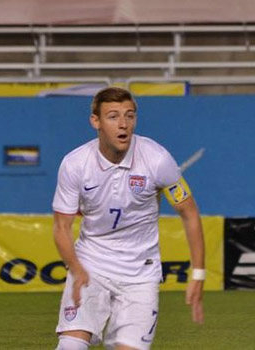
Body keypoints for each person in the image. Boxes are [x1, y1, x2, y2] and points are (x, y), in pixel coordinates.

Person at [52, 87, 205, 350]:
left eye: (129, 115)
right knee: (70, 347)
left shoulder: (156, 159)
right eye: (113, 116)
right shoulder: (75, 164)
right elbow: (61, 226)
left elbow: (189, 213)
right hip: (91, 265)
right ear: (95, 121)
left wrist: (199, 274)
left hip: (140, 274)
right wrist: (76, 269)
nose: (123, 124)